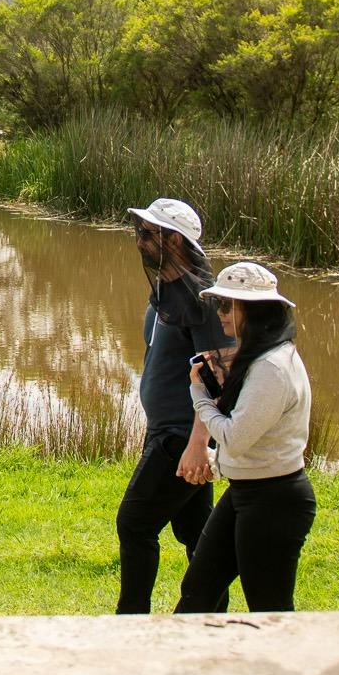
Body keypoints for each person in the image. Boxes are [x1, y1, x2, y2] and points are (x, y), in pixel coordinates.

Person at [176, 261, 316, 614]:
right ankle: (186, 664)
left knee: (269, 608)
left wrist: (199, 396)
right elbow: (246, 436)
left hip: (273, 502)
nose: (219, 314)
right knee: (198, 589)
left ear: (249, 310)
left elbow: (236, 437)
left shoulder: (271, 367)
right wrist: (217, 460)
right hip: (246, 492)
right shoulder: (260, 357)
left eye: (226, 305)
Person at [113, 197, 231, 614]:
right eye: (140, 231)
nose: (139, 240)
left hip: (180, 438)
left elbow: (218, 379)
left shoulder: (203, 302)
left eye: (148, 233)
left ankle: (131, 620)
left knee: (134, 523)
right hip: (164, 431)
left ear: (175, 241)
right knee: (195, 532)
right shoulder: (166, 290)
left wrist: (200, 445)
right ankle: (207, 615)